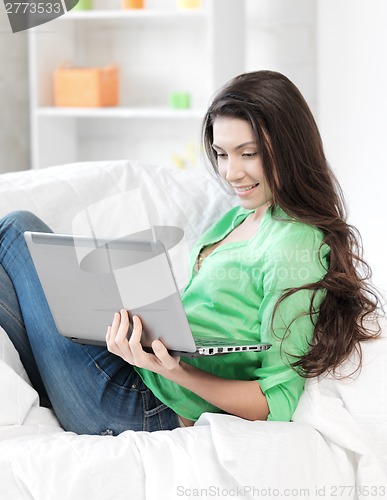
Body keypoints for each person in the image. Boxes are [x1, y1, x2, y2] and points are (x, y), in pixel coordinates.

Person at [0, 70, 381, 435]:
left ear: (289, 149)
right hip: (133, 369)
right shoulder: (236, 218)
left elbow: (275, 403)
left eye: (247, 154)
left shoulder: (295, 243)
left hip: (143, 404)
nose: (231, 173)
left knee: (16, 230)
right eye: (221, 154)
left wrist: (173, 371)